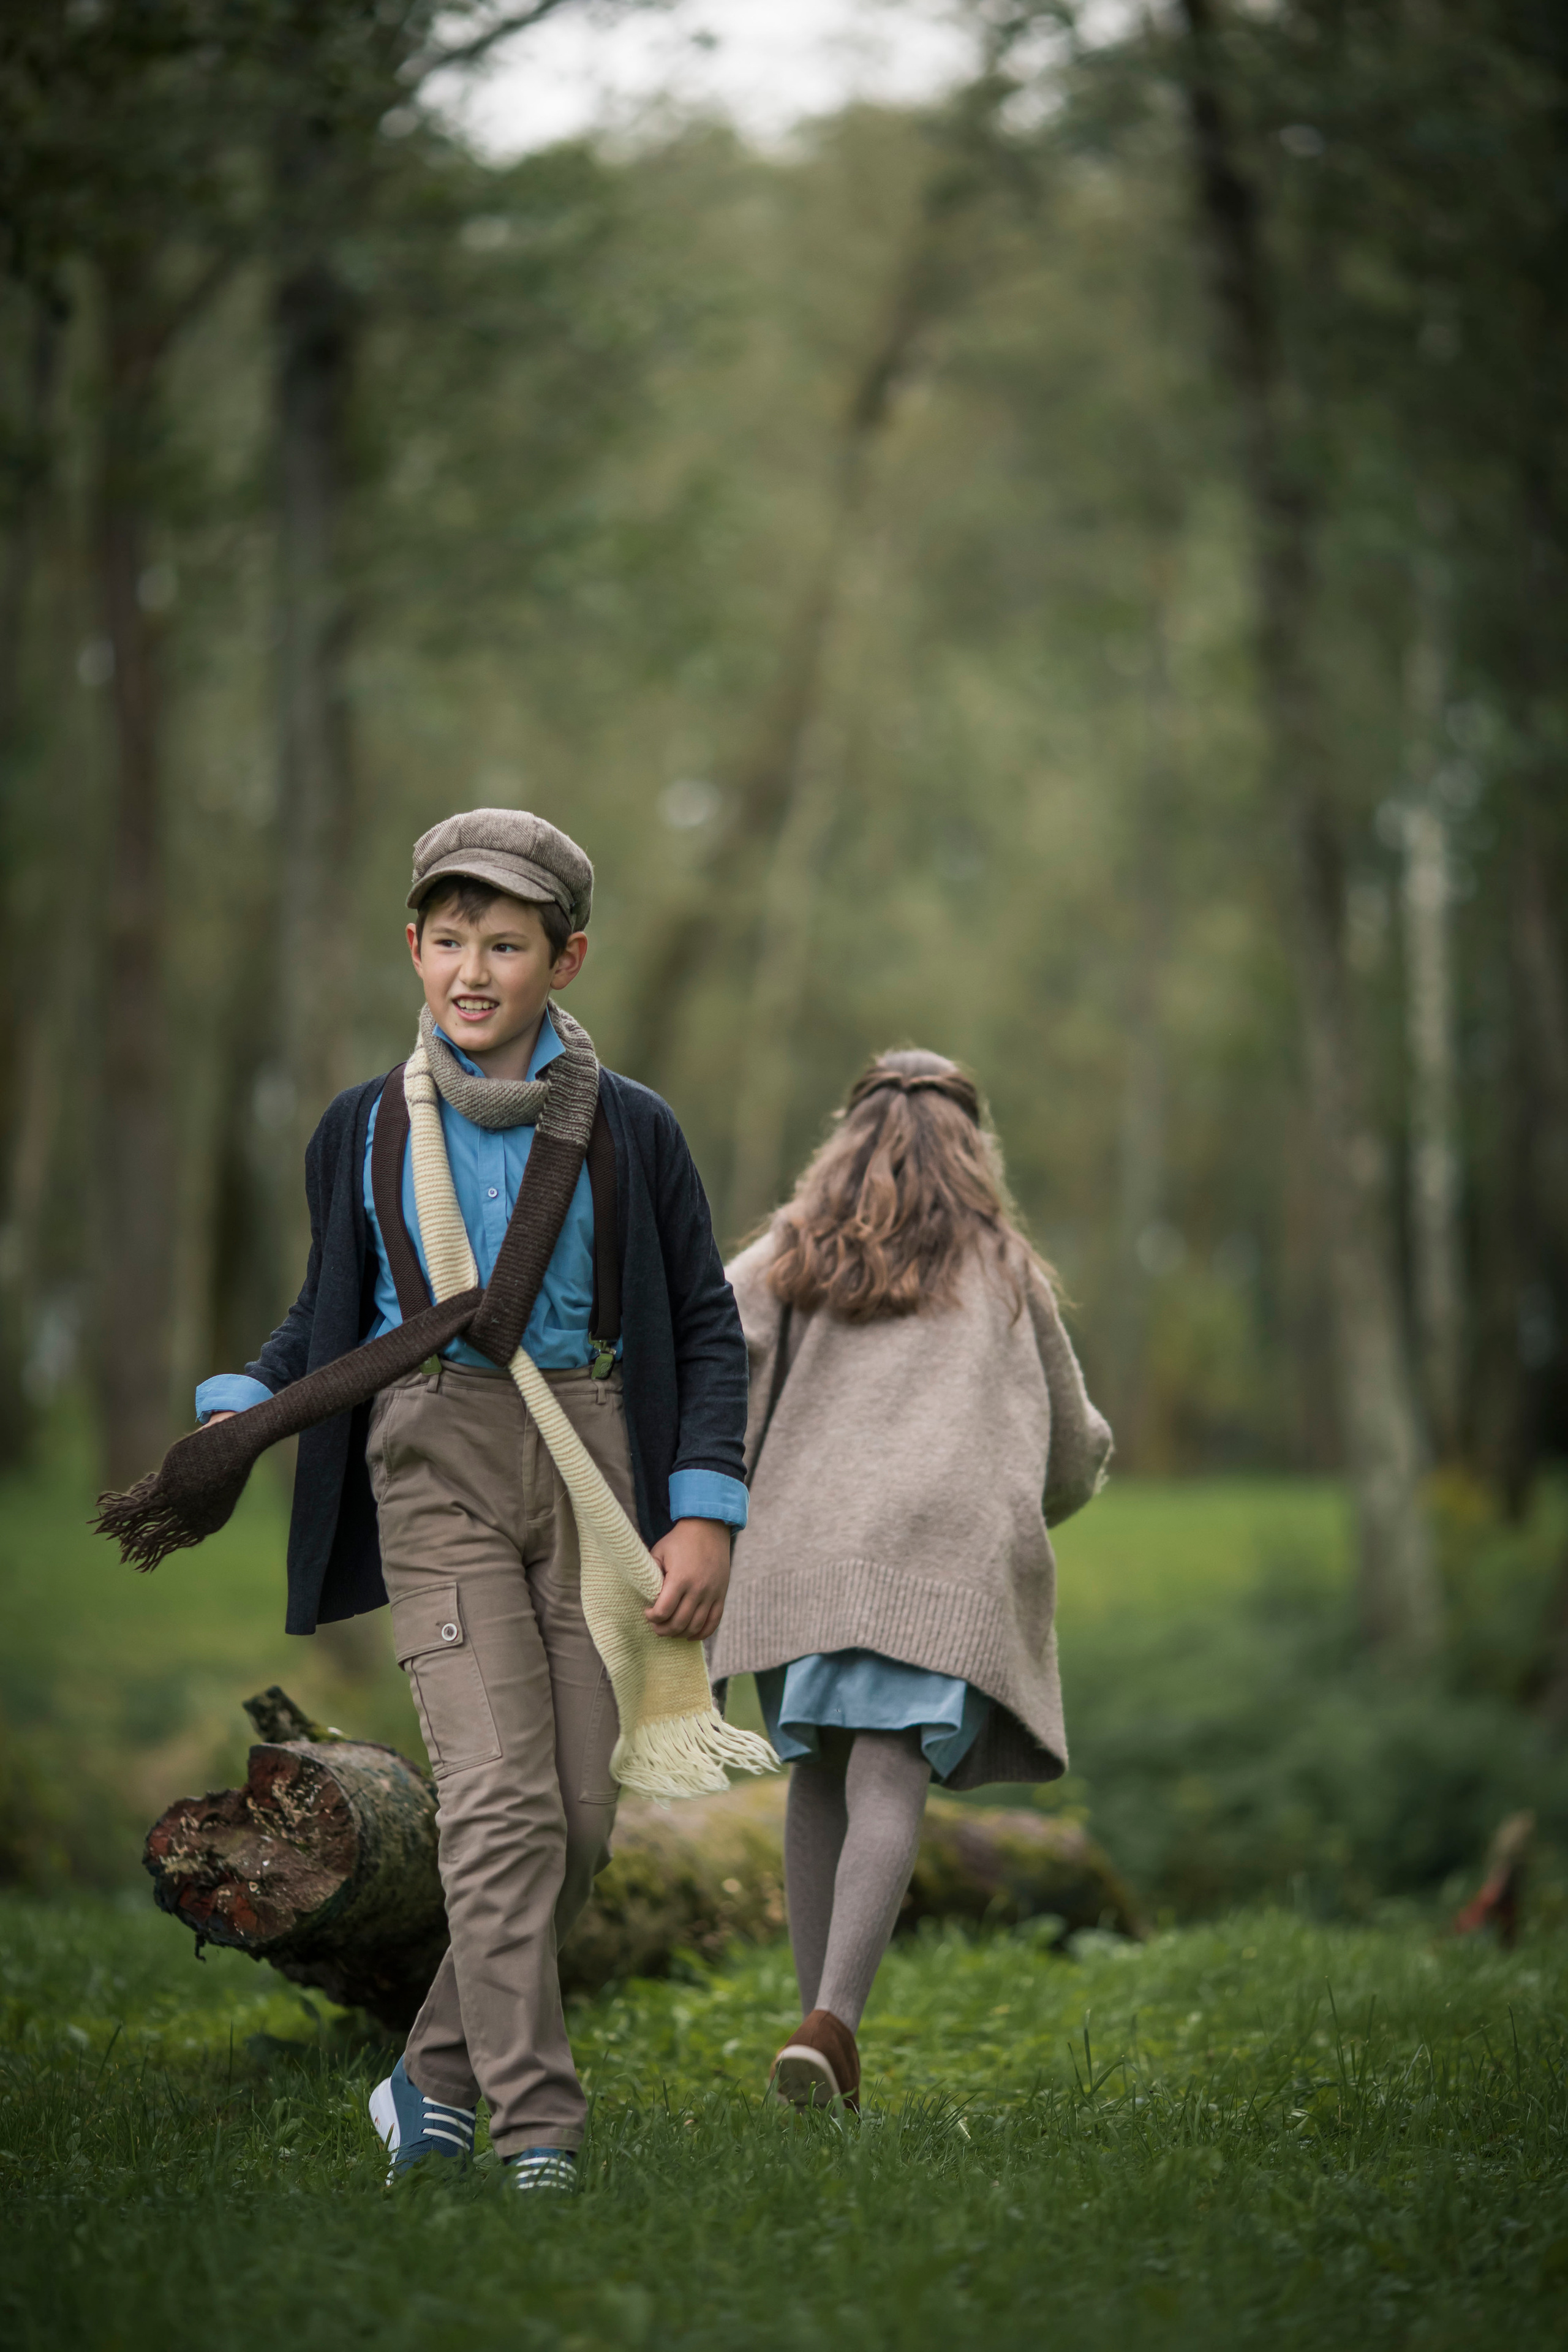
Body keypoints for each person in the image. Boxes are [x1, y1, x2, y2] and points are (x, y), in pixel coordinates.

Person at [194, 808, 757, 2188]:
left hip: (595, 1458)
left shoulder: (632, 1129)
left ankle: (425, 2071)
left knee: (574, 1819)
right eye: (448, 941)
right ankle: (532, 2130)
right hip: (431, 1454)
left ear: (565, 960)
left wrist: (704, 1509)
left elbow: (700, 1318)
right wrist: (243, 1403)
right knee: (498, 1801)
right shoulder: (363, 1126)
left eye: (504, 944)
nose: (471, 970)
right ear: (412, 949)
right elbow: (333, 1307)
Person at [713, 1050, 1112, 2112]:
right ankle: (832, 2026)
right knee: (889, 1771)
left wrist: (718, 1488)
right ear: (973, 1150)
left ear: (847, 1138)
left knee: (818, 1771)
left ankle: (816, 2026)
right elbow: (1069, 1449)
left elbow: (716, 1348)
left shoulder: (792, 1248)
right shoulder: (1005, 1270)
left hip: (801, 1553)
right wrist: (1032, 1507)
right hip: (933, 1555)